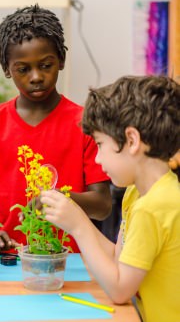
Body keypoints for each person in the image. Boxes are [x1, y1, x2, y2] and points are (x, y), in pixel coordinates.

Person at [0, 5, 111, 253]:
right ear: (7, 69)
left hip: (69, 261)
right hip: (4, 259)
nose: (36, 76)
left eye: (45, 65)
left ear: (61, 60)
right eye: (23, 69)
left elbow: (103, 205)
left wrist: (59, 199)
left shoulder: (86, 123)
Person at [41, 75, 180, 321]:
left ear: (132, 140)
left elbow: (120, 290)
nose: (97, 158)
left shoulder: (154, 206)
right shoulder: (137, 193)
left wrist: (79, 226)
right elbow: (119, 257)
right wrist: (75, 218)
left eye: (100, 144)